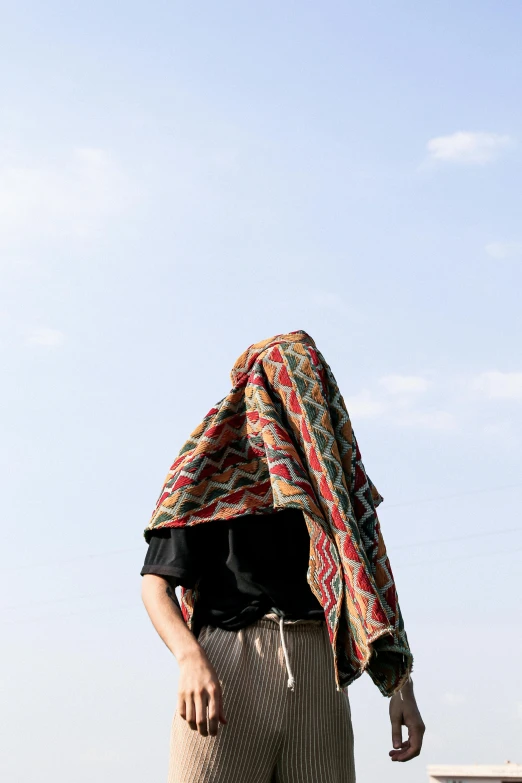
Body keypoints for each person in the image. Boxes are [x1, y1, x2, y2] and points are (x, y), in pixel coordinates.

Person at [141, 329, 425, 783]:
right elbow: (155, 584)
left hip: (319, 667)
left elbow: (368, 582)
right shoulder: (209, 466)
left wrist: (401, 686)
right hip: (229, 664)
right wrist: (189, 659)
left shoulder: (334, 487)